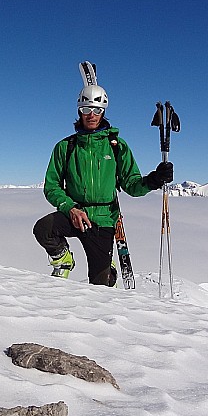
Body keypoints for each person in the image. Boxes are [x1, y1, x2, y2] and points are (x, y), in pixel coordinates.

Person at [33, 82, 173, 286]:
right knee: (43, 229)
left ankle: (109, 269)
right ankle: (63, 260)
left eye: (96, 110)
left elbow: (132, 185)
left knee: (100, 287)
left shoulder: (117, 146)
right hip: (75, 215)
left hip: (104, 220)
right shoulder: (66, 147)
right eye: (86, 109)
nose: (91, 114)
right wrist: (70, 208)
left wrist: (154, 180)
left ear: (103, 112)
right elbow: (51, 186)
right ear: (79, 111)